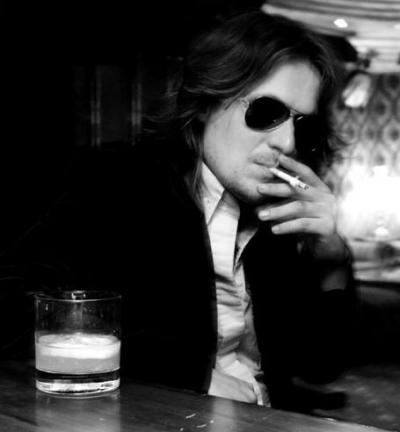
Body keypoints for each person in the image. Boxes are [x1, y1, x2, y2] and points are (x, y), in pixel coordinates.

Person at [0, 10, 355, 413]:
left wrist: (332, 257)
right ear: (206, 102)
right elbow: (16, 316)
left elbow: (321, 365)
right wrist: (190, 376)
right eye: (266, 112)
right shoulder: (113, 187)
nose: (287, 142)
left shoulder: (283, 215)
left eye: (300, 124)